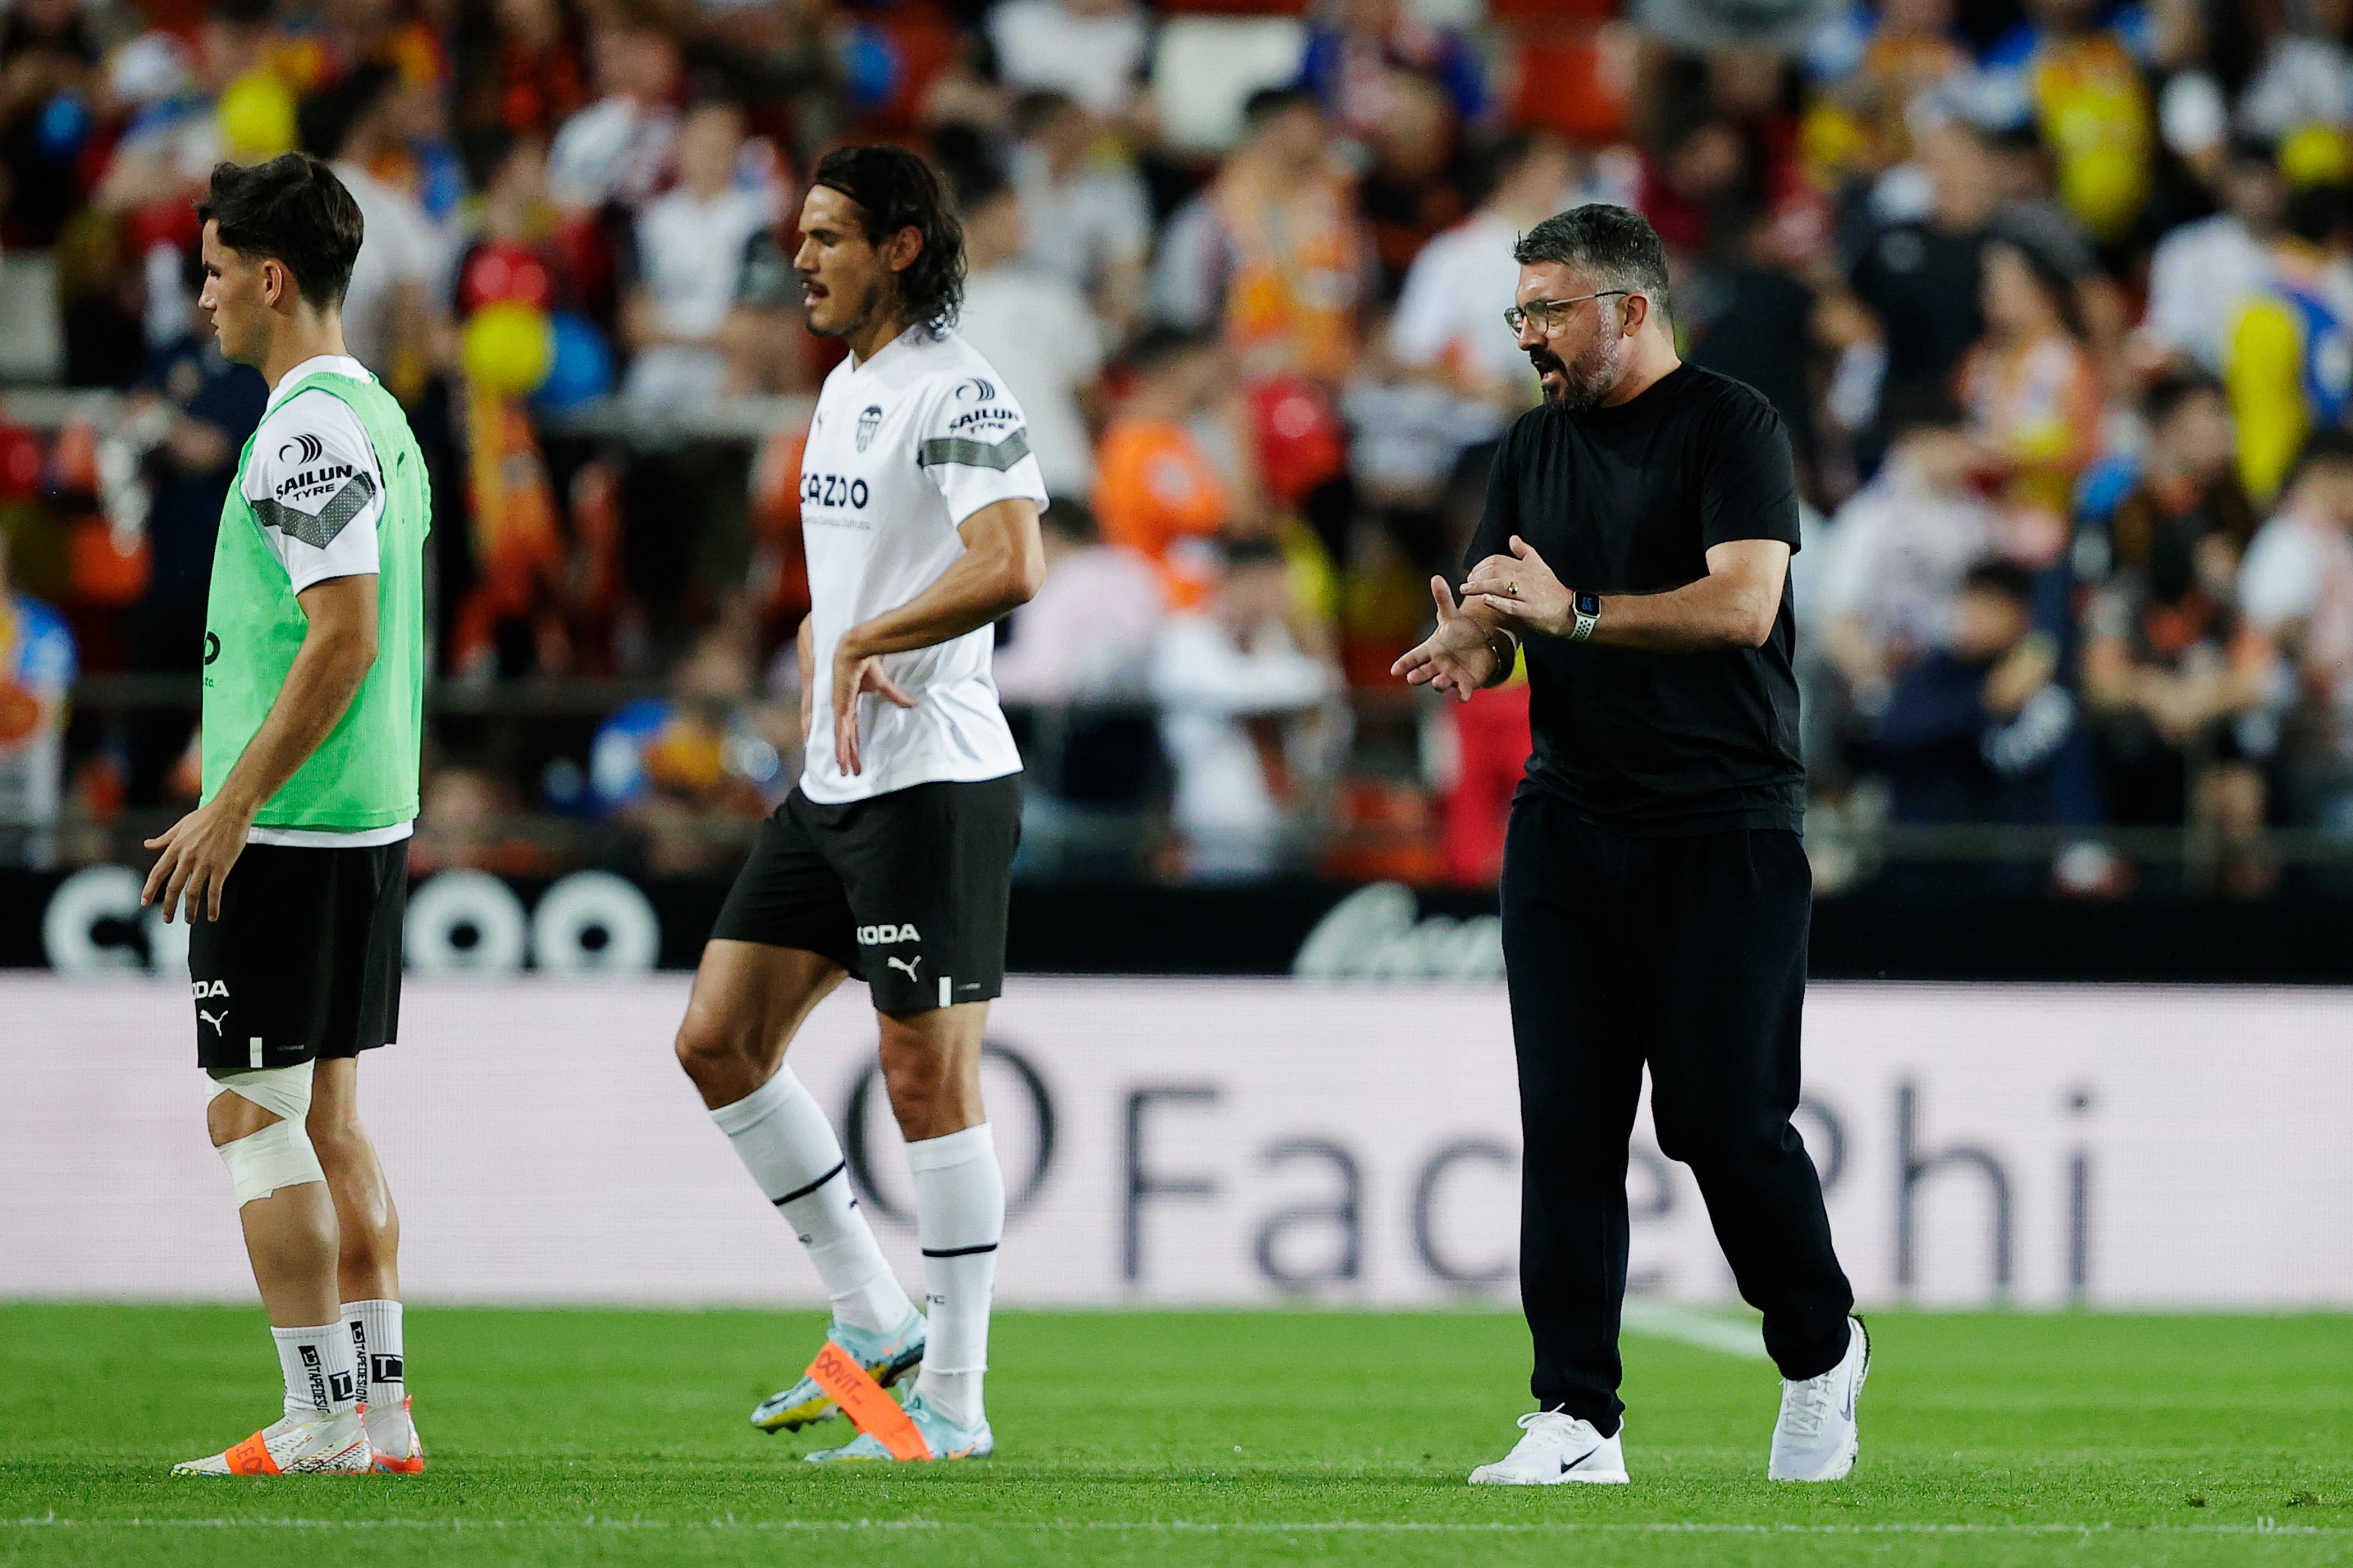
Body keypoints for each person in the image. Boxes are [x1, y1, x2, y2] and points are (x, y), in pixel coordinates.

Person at [1391, 204, 1864, 1487]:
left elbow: (1742, 601)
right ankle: (1575, 1416)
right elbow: (1509, 619)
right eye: (1520, 314)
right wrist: (1472, 646)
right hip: (1567, 819)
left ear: (1629, 310)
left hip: (1724, 823)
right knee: (1568, 1123)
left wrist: (1576, 614)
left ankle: (1822, 1346)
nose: (1528, 336)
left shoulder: (1731, 424)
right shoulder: (1530, 446)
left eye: (1548, 311)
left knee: (1722, 1122)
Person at [670, 145, 1045, 1465]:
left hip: (934, 784)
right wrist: (833, 658)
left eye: (828, 234)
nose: (801, 256)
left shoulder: (957, 388)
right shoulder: (842, 389)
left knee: (923, 1073)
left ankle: (952, 1394)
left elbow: (1014, 560)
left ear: (898, 245)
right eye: (799, 233)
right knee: (717, 1037)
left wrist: (873, 634)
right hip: (834, 784)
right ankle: (874, 1314)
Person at [142, 154, 431, 1477]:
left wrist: (231, 804)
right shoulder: (379, 414)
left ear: (269, 278)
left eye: (211, 273)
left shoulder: (304, 426)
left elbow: (345, 635)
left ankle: (317, 1418)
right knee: (327, 1115)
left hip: (295, 824)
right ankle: (381, 1413)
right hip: (364, 812)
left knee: (251, 1118)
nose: (202, 300)